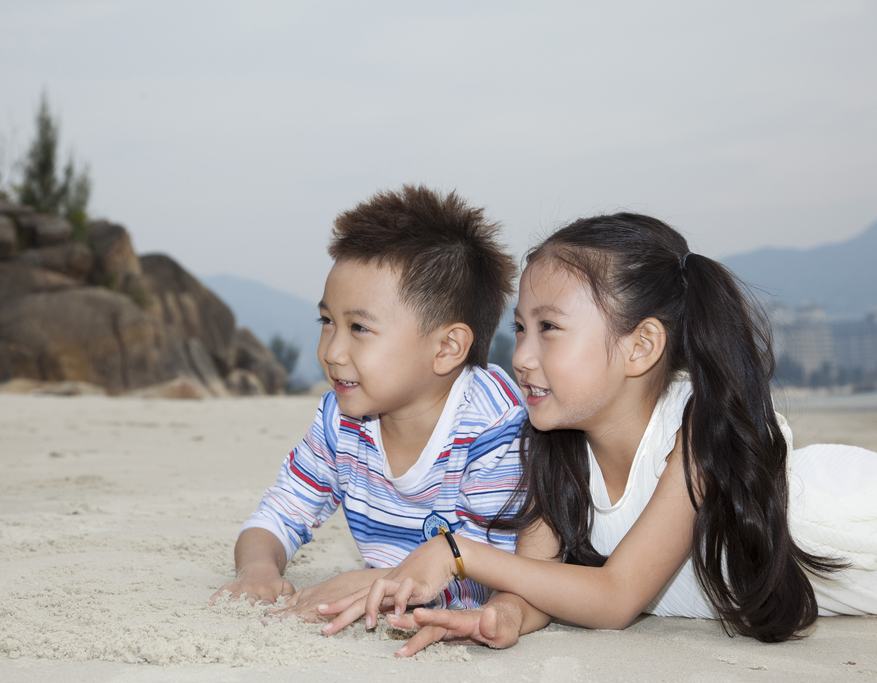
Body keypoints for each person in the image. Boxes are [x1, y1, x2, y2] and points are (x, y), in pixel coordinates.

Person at [318, 212, 877, 656]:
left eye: (550, 329)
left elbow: (615, 599)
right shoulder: (555, 446)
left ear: (641, 346)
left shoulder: (697, 435)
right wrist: (506, 614)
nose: (523, 356)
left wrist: (457, 553)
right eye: (519, 328)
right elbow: (540, 578)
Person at [209, 185, 528, 622]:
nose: (333, 352)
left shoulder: (494, 426)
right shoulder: (341, 418)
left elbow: (496, 574)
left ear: (447, 347)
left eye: (359, 327)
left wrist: (370, 582)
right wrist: (258, 568)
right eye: (327, 321)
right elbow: (282, 510)